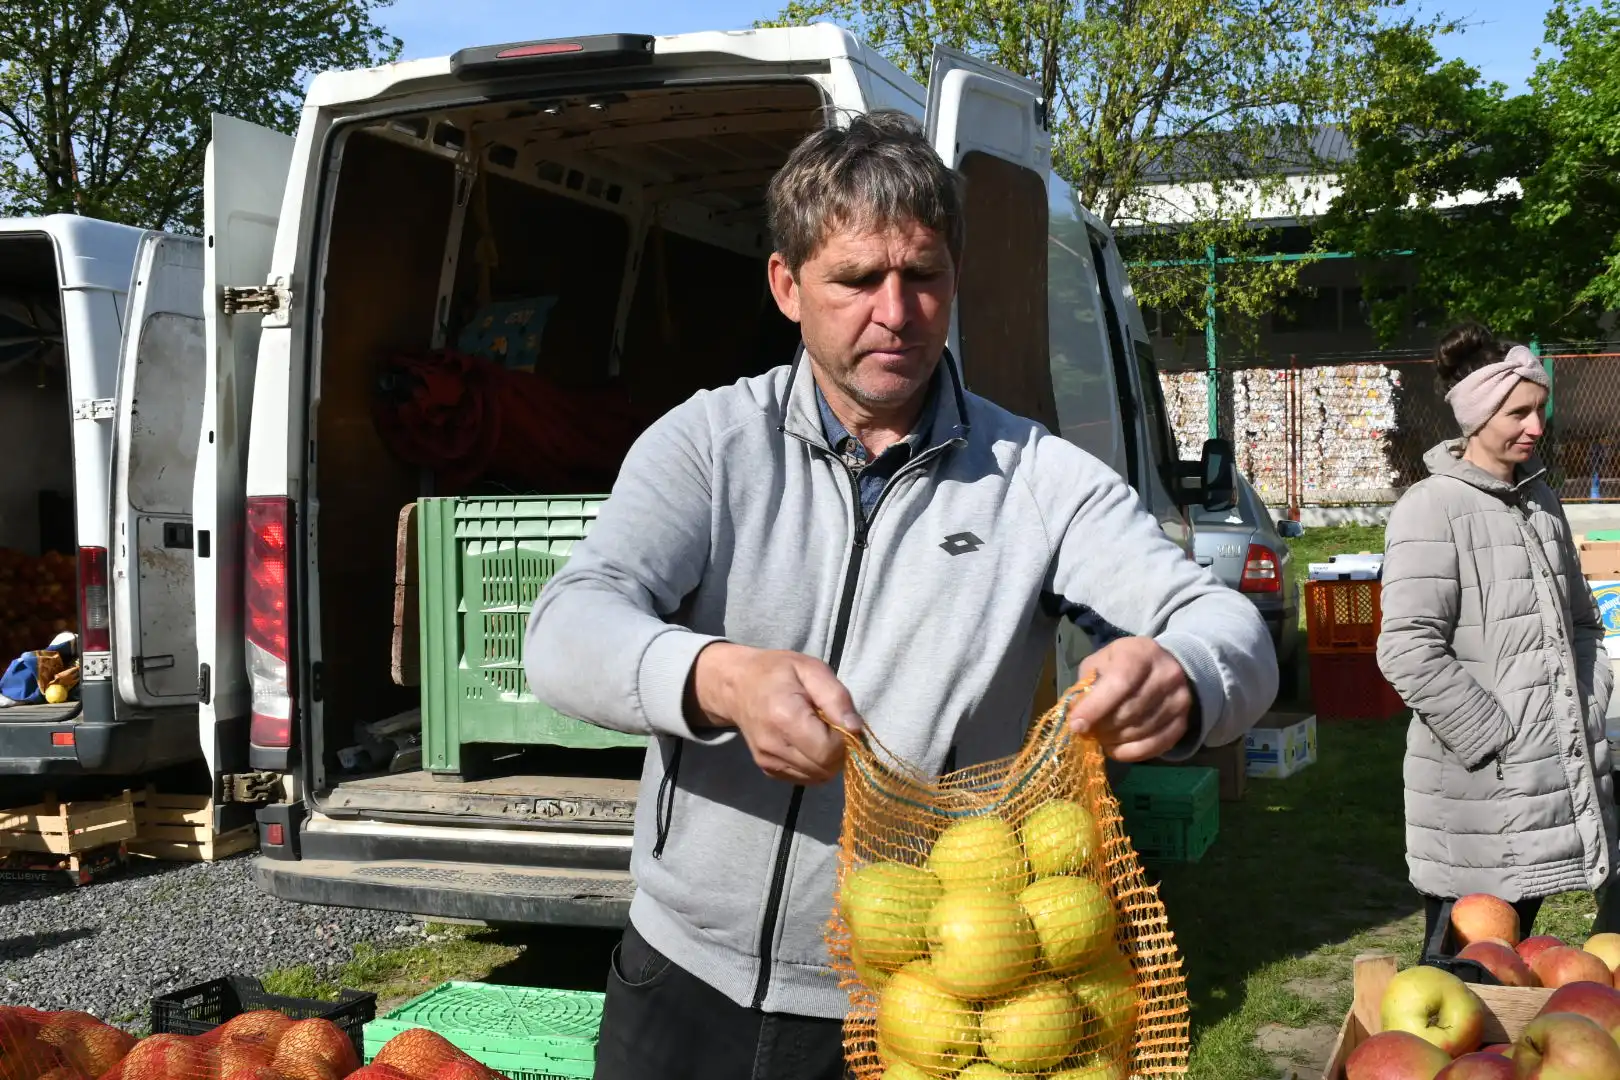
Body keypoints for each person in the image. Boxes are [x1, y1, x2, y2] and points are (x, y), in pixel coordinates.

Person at [524, 109, 1276, 1080]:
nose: (896, 310)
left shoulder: (1038, 477)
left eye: (923, 276)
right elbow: (566, 627)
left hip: (923, 1008)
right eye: (856, 280)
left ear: (954, 279)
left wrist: (1188, 673)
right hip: (681, 982)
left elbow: (1230, 631)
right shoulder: (709, 445)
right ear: (787, 286)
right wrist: (720, 679)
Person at [1378, 321, 1616, 948]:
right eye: (1519, 412)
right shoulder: (1432, 509)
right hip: (1476, 787)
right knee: (1463, 967)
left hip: (1546, 780)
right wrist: (1496, 737)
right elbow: (1407, 647)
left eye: (1540, 410)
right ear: (1477, 416)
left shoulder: (1542, 503)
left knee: (1513, 973)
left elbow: (1583, 621)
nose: (1537, 426)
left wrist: (1589, 704)